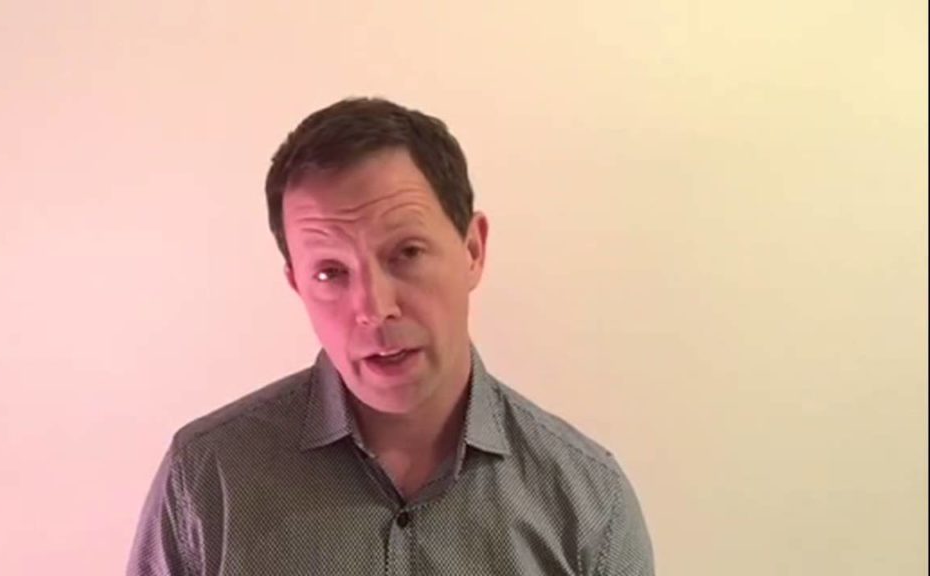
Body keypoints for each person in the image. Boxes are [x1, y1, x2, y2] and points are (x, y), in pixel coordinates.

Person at [127, 97, 654, 575]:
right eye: (331, 273)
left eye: (407, 253)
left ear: (473, 250)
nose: (375, 308)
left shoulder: (590, 504)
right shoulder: (205, 480)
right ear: (297, 285)